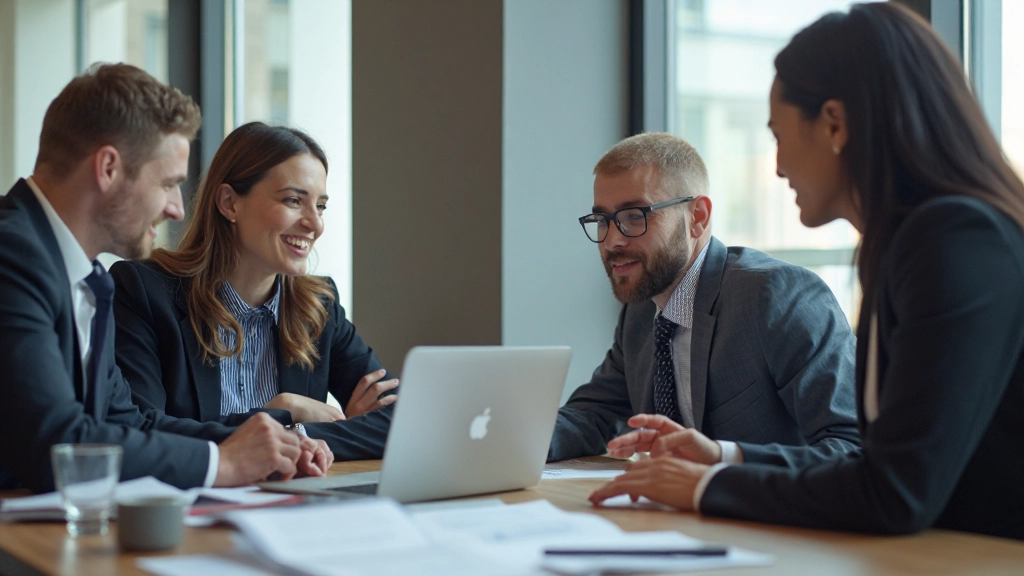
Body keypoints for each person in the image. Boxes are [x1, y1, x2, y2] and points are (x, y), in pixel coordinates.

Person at [590, 3, 1024, 541]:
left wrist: (704, 487)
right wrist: (726, 456)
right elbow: (883, 473)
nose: (777, 166)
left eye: (778, 135)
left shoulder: (956, 241)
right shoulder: (908, 246)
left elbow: (894, 491)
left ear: (835, 124)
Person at [0, 64, 331, 493]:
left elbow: (131, 423)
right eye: (168, 183)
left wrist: (268, 445)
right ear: (108, 168)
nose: (177, 207)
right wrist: (222, 463)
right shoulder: (12, 257)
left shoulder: (87, 277)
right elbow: (58, 445)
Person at [548, 132, 859, 467]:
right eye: (602, 221)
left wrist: (723, 464)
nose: (611, 242)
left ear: (698, 217)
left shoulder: (777, 297)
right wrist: (495, 445)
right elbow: (593, 415)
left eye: (634, 217)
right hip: (675, 514)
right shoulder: (642, 312)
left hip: (769, 514)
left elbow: (853, 447)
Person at [110, 122, 396, 458]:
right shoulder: (144, 291)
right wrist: (282, 412)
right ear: (230, 203)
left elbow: (399, 422)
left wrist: (297, 433)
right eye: (293, 200)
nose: (315, 224)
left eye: (320, 206)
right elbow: (141, 430)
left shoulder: (319, 305)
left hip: (296, 503)